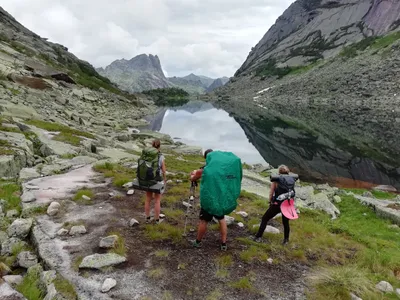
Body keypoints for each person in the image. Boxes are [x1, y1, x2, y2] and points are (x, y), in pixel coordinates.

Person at [190, 149, 228, 251]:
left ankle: (198, 242)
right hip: (220, 198)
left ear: (206, 158)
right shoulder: (222, 168)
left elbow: (193, 178)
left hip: (208, 199)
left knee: (204, 221)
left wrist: (193, 174)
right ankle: (223, 243)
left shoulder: (205, 169)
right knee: (221, 219)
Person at [253, 165, 295, 245]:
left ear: (279, 172)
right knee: (285, 222)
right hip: (287, 203)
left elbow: (271, 192)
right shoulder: (291, 179)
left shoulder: (277, 179)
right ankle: (286, 240)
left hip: (277, 204)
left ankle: (258, 237)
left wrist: (270, 201)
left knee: (265, 218)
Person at [144, 139, 166, 224]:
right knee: (157, 200)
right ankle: (157, 219)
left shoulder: (147, 154)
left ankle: (147, 218)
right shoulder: (161, 156)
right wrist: (164, 179)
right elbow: (163, 170)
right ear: (159, 146)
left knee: (148, 199)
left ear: (152, 145)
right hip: (157, 179)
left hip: (148, 179)